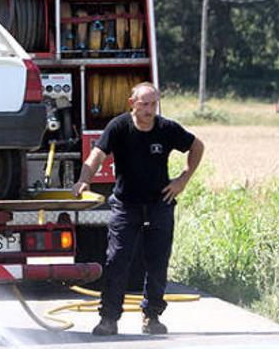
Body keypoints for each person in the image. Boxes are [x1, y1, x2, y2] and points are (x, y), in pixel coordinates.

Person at [72, 82, 204, 336]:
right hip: (126, 205)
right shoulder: (119, 127)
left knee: (157, 262)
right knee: (117, 260)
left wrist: (183, 179)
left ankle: (151, 316)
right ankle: (109, 319)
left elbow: (197, 146)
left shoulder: (167, 129)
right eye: (144, 104)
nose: (149, 110)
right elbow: (96, 155)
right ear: (132, 103)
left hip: (159, 205)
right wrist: (84, 179)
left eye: (153, 104)